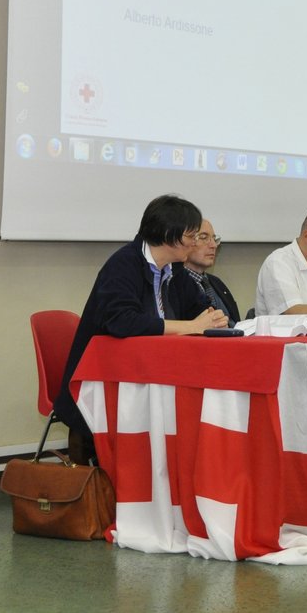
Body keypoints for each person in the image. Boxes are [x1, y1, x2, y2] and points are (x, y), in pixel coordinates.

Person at [54, 195, 228, 462]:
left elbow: (201, 308)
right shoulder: (124, 264)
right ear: (170, 234)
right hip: (110, 382)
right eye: (192, 235)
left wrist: (212, 319)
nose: (196, 243)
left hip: (154, 374)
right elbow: (122, 321)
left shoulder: (175, 270)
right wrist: (191, 326)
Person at [183, 219, 240, 324]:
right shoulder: (174, 284)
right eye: (204, 238)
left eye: (214, 239)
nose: (214, 245)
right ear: (183, 242)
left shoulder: (216, 282)